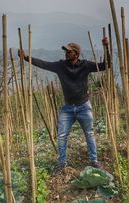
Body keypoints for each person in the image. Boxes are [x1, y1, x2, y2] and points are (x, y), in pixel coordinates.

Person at [18, 38, 110, 173]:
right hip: (67, 108)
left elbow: (105, 65)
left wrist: (106, 47)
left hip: (84, 106)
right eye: (65, 51)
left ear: (76, 54)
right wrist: (26, 57)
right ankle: (62, 162)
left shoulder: (85, 65)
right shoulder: (61, 66)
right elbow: (44, 64)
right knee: (61, 135)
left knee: (89, 134)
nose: (66, 53)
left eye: (69, 51)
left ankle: (94, 160)